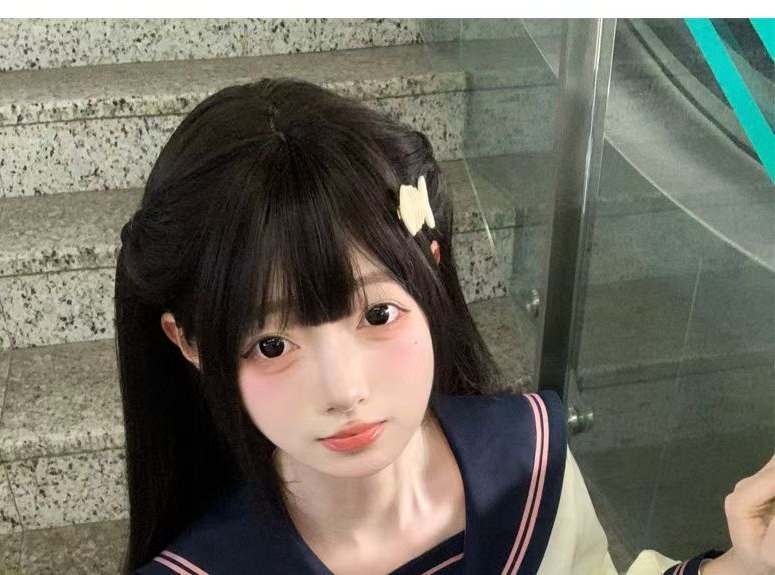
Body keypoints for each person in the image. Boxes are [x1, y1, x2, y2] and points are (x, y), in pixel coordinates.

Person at [115, 78, 775, 575]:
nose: (344, 389)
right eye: (273, 344)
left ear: (430, 266)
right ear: (188, 341)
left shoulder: (527, 464)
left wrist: (745, 562)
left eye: (377, 314)